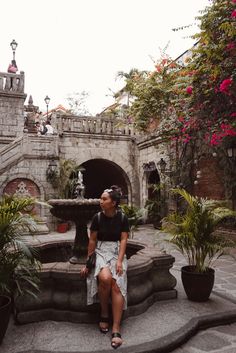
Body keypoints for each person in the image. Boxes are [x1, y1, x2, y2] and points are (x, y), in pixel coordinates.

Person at [80, 185, 130, 349]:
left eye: (104, 199)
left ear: (113, 202)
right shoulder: (97, 218)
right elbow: (92, 241)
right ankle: (104, 313)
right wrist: (88, 263)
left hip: (117, 252)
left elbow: (123, 240)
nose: (100, 201)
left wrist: (119, 261)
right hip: (101, 252)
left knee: (116, 285)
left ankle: (116, 327)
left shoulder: (123, 218)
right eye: (101, 199)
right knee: (105, 278)